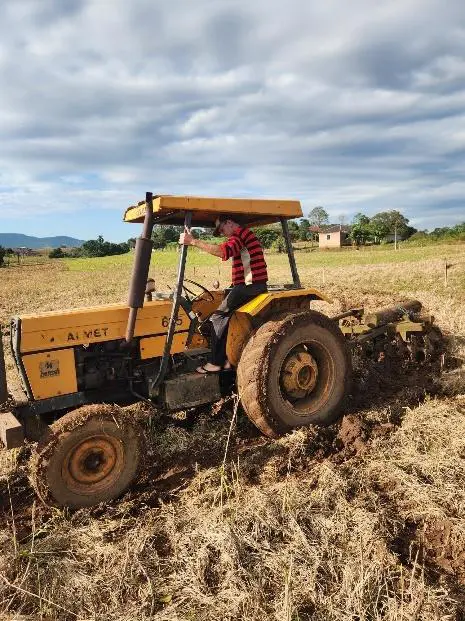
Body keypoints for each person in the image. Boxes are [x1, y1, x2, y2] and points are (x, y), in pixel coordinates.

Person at [179, 215, 268, 373]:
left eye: (222, 229)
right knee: (217, 305)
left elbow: (223, 251)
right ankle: (217, 349)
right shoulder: (243, 235)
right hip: (248, 285)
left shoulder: (239, 235)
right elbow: (225, 250)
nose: (223, 233)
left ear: (229, 222)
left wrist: (193, 241)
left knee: (218, 317)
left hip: (250, 287)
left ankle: (218, 363)